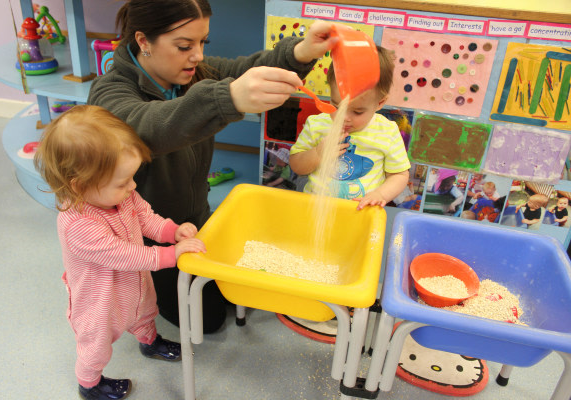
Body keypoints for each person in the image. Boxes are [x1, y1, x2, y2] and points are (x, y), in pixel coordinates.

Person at [87, 0, 337, 333]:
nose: (198, 56)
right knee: (208, 320)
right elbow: (150, 127)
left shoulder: (192, 72)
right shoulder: (110, 92)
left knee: (238, 296)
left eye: (203, 42)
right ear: (144, 41)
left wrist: (302, 51)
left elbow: (249, 66)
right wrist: (227, 98)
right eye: (184, 46)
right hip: (147, 240)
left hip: (195, 220)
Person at [34, 105, 206, 400]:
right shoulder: (77, 224)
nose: (133, 186)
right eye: (123, 182)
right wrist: (172, 254)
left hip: (133, 285)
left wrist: (170, 231)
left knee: (145, 312)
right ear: (80, 185)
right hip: (99, 301)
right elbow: (125, 255)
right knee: (96, 345)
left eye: (132, 178)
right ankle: (89, 384)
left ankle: (149, 341)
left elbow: (145, 216)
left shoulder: (121, 196)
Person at [288, 50, 410, 208]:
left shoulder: (387, 131)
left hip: (359, 214)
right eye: (336, 106)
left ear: (379, 103)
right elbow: (297, 166)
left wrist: (380, 194)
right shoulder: (317, 124)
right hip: (315, 209)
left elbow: (399, 174)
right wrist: (318, 154)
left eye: (357, 111)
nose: (343, 117)